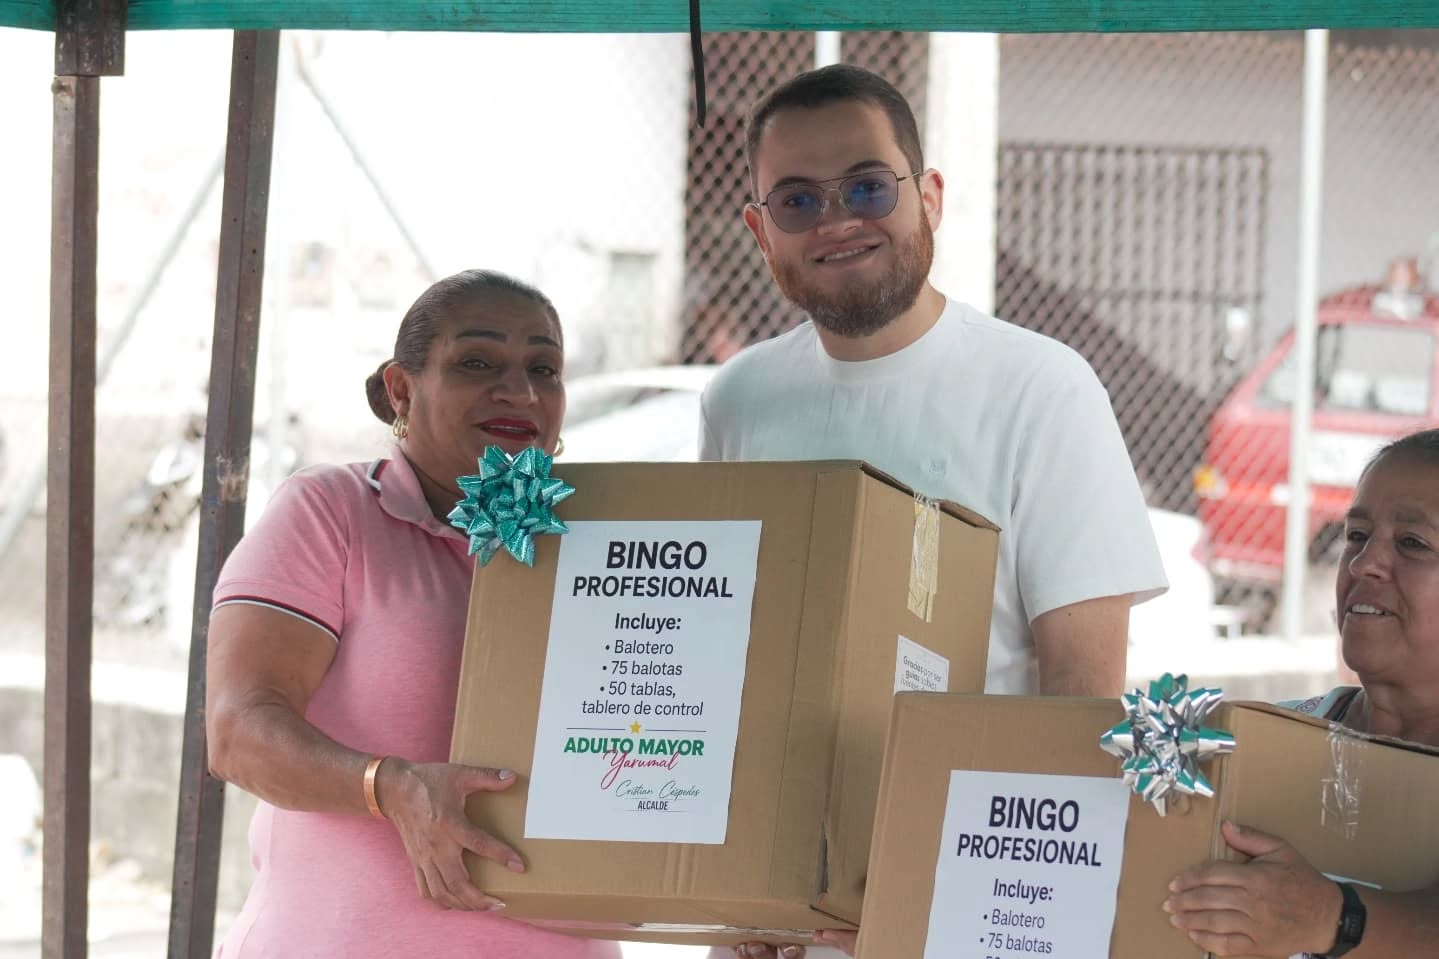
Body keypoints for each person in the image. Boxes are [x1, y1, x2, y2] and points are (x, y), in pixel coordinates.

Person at [703, 62, 1168, 959]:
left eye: (866, 187)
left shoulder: (1042, 388)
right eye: (797, 201)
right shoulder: (738, 399)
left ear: (929, 197)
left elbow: (1082, 708)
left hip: (963, 912)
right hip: (777, 917)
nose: (836, 220)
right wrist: (735, 897)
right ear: (761, 231)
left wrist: (946, 910)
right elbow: (724, 664)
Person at [205, 269, 620, 958]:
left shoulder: (604, 541)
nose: (519, 391)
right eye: (477, 362)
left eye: (543, 368)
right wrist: (390, 787)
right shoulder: (332, 512)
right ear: (401, 389)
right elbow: (236, 732)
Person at [1167, 429, 1439, 957]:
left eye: (1413, 543)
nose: (1362, 564)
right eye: (1357, 536)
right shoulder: (1259, 743)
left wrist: (1333, 920)